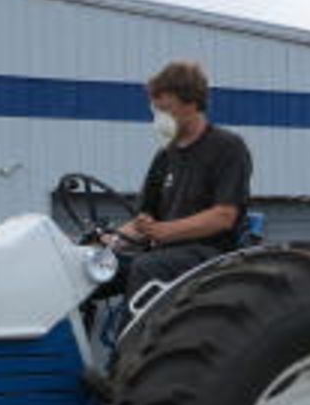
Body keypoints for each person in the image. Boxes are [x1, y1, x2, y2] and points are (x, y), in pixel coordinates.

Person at [106, 61, 252, 294]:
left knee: (146, 267)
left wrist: (165, 231)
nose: (159, 118)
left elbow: (224, 216)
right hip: (165, 254)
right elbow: (144, 220)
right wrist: (111, 242)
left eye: (165, 109)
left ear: (192, 103)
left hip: (211, 254)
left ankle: (141, 331)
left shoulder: (227, 147)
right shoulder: (165, 155)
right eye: (155, 110)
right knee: (101, 270)